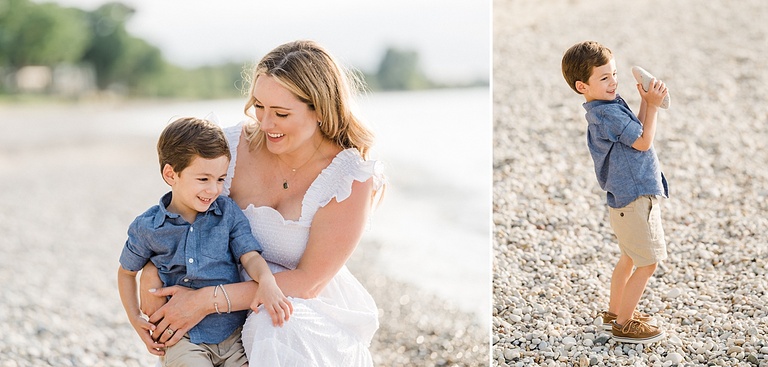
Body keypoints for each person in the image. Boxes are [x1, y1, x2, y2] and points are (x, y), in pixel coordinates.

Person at [139, 40, 385, 366]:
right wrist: (151, 272)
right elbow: (177, 218)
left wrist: (205, 302)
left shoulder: (348, 177)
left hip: (303, 311)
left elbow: (310, 281)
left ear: (321, 110)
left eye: (281, 113)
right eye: (258, 106)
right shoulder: (227, 147)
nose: (265, 124)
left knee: (274, 323)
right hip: (218, 287)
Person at [117, 117, 293, 366]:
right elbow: (126, 273)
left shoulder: (228, 213)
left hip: (233, 333)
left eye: (220, 179)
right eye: (203, 179)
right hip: (182, 337)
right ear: (171, 174)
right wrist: (135, 317)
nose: (213, 190)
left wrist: (266, 280)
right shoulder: (147, 227)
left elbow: (250, 255)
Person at [561, 41, 669, 344]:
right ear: (582, 85)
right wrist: (656, 108)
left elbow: (634, 129)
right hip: (634, 197)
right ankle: (624, 323)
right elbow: (644, 141)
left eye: (615, 74)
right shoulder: (607, 114)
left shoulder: (606, 107)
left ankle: (614, 313)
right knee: (647, 262)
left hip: (624, 197)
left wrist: (646, 102)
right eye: (604, 78)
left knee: (628, 258)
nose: (614, 82)